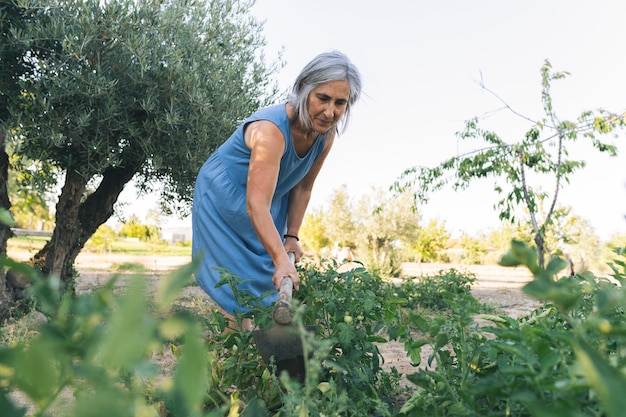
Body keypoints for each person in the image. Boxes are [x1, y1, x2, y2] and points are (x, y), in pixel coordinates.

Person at [191, 50, 362, 330]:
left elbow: (303, 186)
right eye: (323, 98)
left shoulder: (325, 136)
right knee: (235, 283)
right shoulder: (270, 131)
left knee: (265, 277)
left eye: (340, 103)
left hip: (268, 201)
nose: (330, 112)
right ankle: (231, 353)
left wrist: (291, 237)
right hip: (223, 198)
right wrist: (281, 259)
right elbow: (255, 204)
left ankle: (251, 351)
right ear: (304, 89)